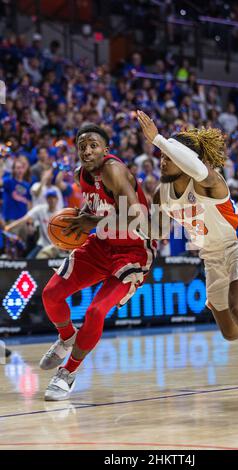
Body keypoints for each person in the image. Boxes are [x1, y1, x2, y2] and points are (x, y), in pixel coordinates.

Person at [137, 110, 238, 398]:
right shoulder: (162, 194)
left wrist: (159, 139)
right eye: (162, 155)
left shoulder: (208, 180)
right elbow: (154, 231)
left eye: (169, 155)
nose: (162, 159)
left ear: (187, 159)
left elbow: (196, 167)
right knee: (232, 331)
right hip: (210, 257)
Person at [40, 124, 156, 401]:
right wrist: (80, 219)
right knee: (51, 294)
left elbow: (136, 218)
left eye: (93, 145)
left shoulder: (114, 171)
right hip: (101, 244)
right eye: (82, 146)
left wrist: (92, 222)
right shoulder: (82, 174)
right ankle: (67, 336)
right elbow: (94, 209)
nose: (87, 150)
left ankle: (67, 373)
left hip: (131, 252)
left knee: (94, 312)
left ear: (106, 149)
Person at [5, 189, 59, 259]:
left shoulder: (60, 214)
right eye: (49, 197)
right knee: (29, 260)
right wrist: (9, 227)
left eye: (53, 197)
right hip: (42, 245)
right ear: (46, 199)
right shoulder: (40, 209)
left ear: (57, 199)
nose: (51, 200)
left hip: (56, 247)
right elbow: (24, 219)